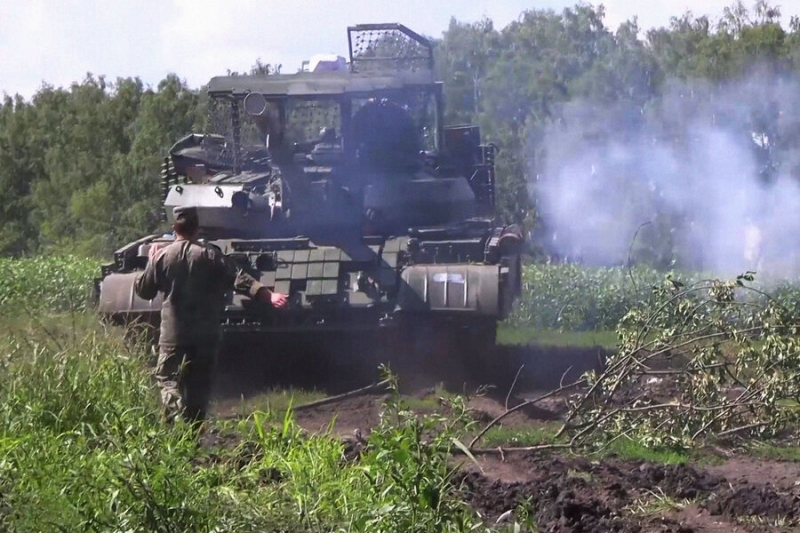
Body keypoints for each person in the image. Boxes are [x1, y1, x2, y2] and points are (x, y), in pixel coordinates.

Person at [134, 205, 288, 424]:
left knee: (167, 378)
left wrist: (151, 261)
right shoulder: (209, 255)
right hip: (205, 334)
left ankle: (175, 413)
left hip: (174, 333)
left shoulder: (163, 257)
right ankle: (193, 434)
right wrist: (268, 295)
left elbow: (144, 290)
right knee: (199, 385)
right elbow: (239, 278)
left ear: (174, 227)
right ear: (197, 227)